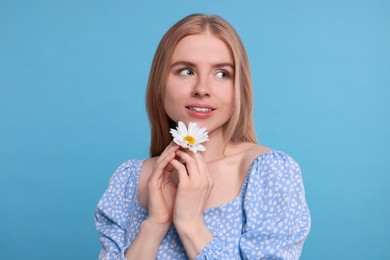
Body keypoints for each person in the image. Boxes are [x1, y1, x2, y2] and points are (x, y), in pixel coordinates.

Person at [94, 13, 311, 260]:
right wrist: (153, 226)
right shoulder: (129, 181)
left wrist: (190, 225)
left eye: (221, 74)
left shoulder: (269, 173)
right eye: (186, 71)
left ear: (238, 87)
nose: (202, 89)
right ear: (160, 82)